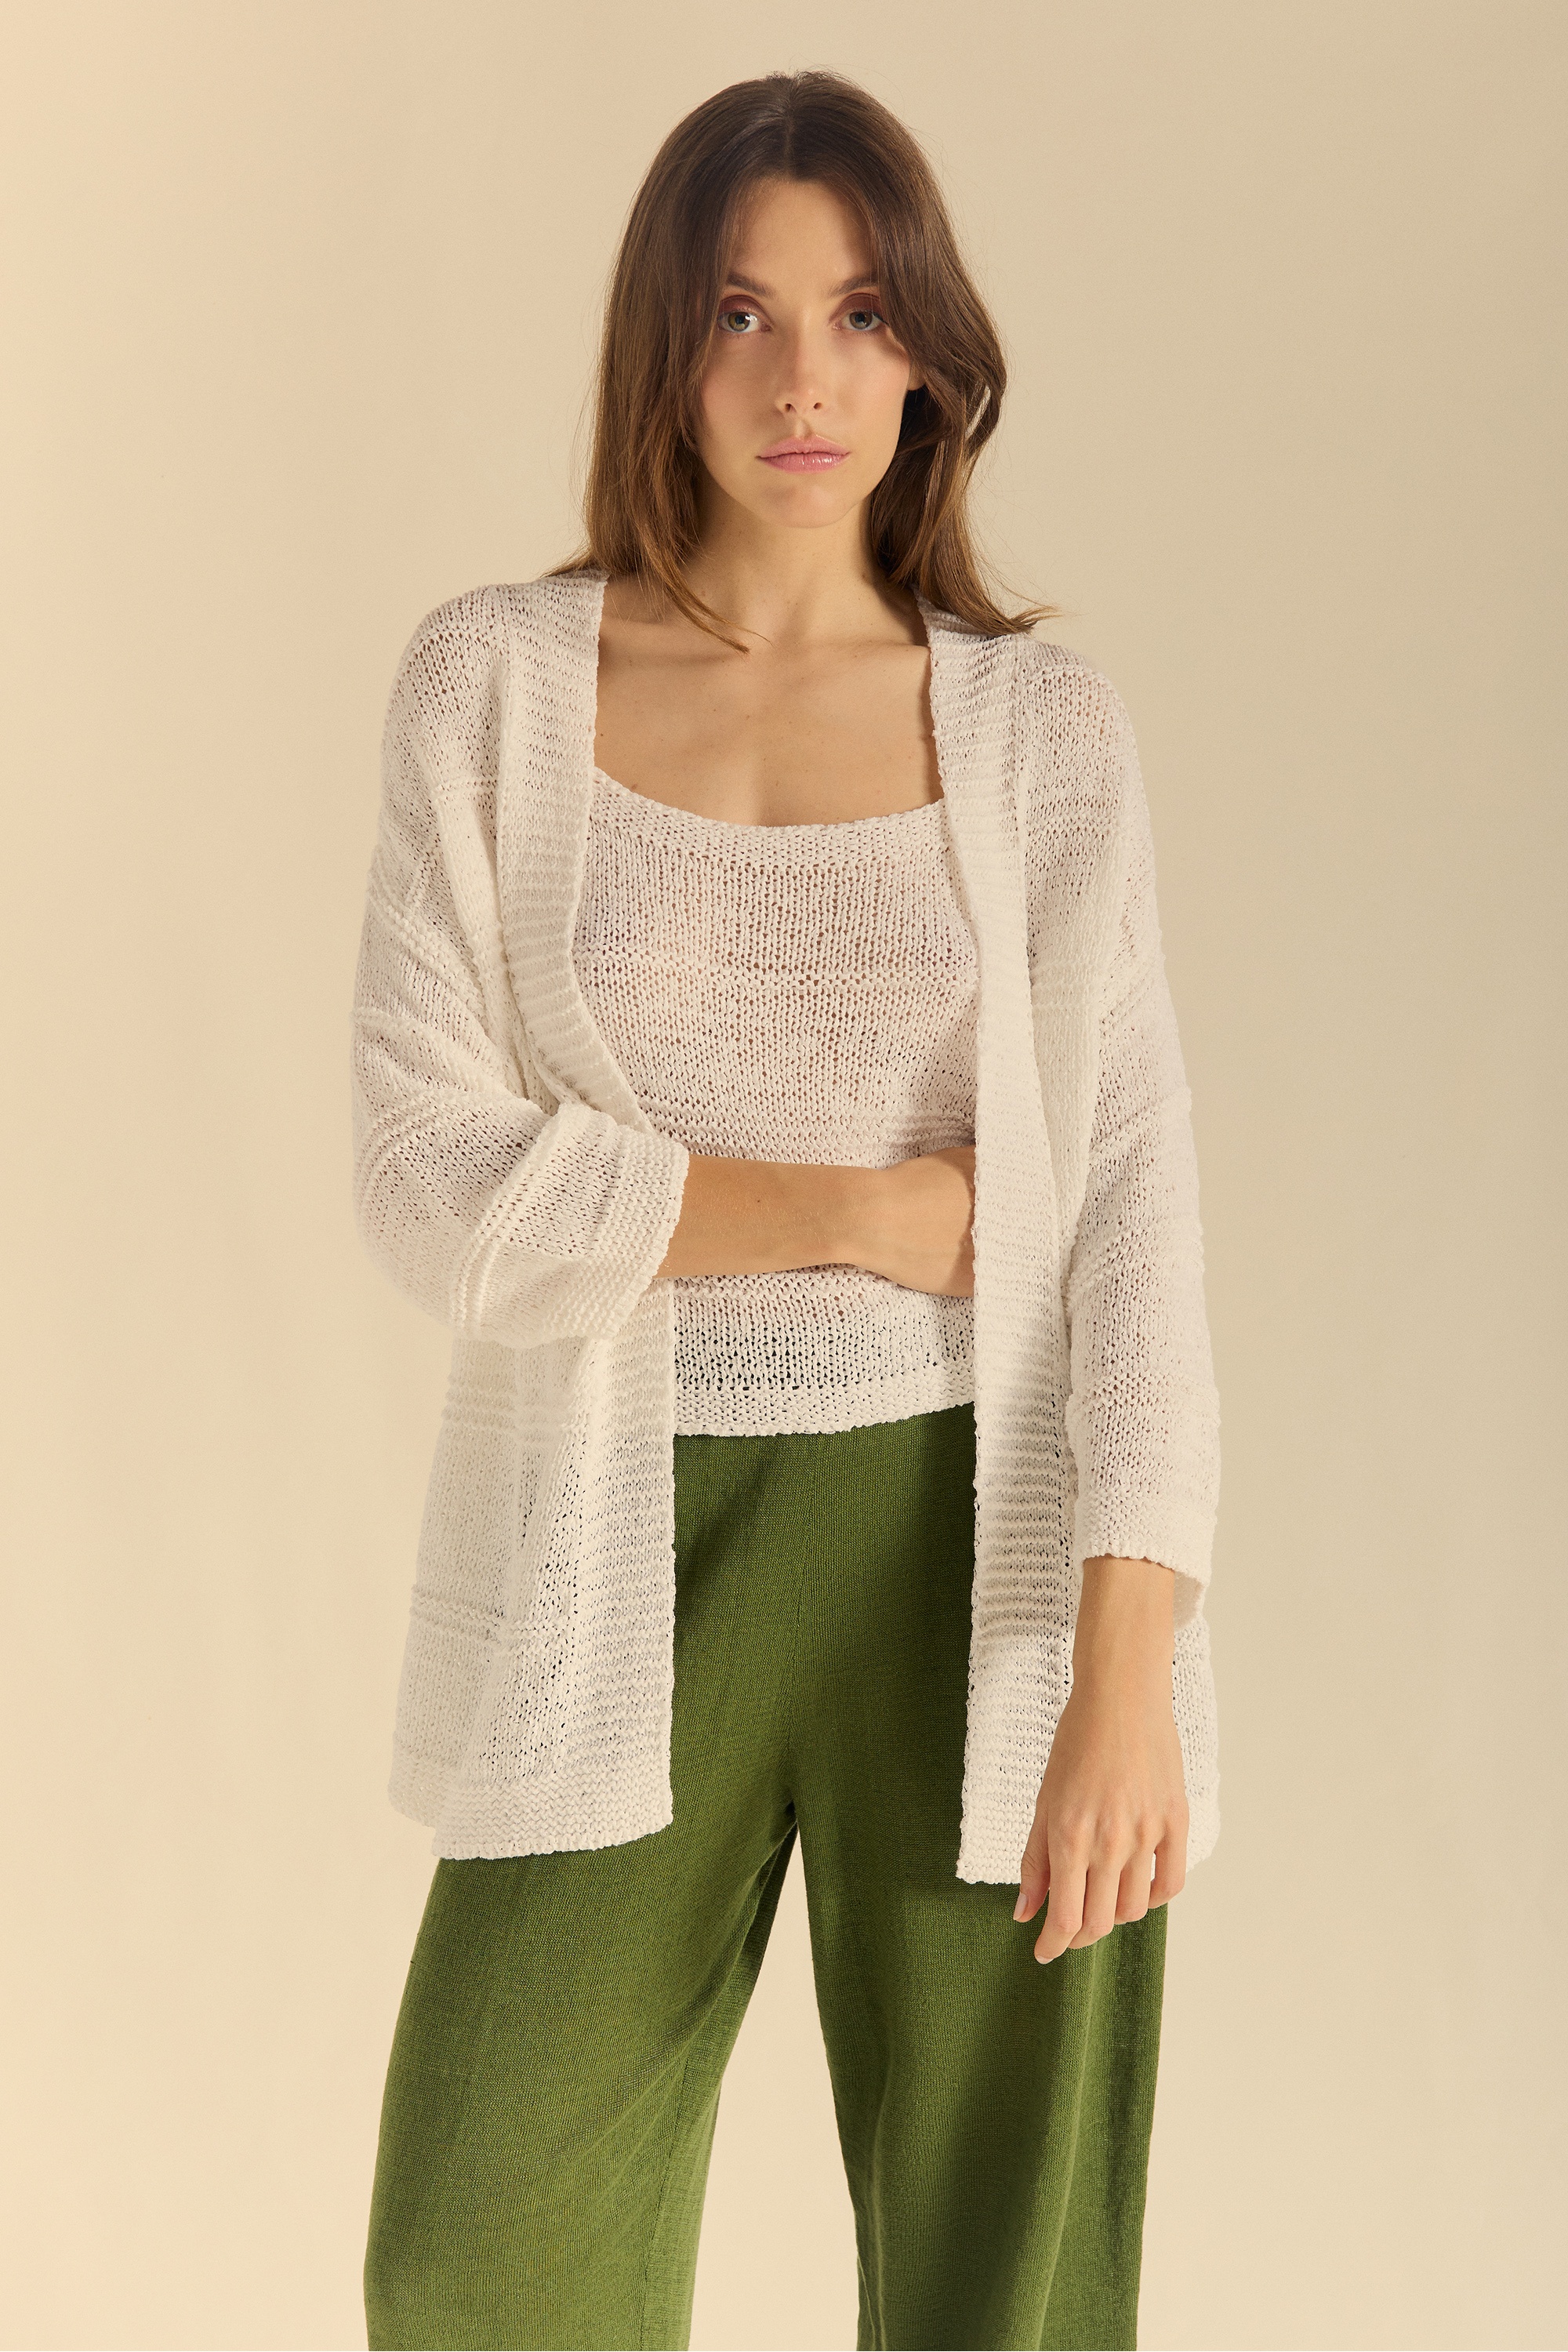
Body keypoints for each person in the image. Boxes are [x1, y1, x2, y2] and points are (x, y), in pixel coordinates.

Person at [352, 67, 1221, 2352]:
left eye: (859, 313)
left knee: (1006, 2284)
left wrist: (1128, 1668)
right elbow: (430, 1173)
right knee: (476, 2255)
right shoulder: (493, 692)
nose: (803, 376)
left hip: (981, 1541)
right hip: (613, 1527)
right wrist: (865, 1212)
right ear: (666, 345)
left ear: (930, 354)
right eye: (742, 313)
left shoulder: (1042, 732)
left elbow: (1128, 1211)